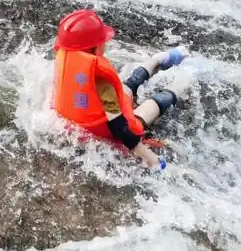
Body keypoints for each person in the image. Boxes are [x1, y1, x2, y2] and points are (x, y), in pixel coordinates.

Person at [52, 9, 192, 170]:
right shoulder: (102, 82)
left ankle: (166, 63)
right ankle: (177, 71)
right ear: (95, 48)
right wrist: (153, 160)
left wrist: (151, 160)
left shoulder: (67, 59)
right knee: (147, 105)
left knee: (127, 89)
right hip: (103, 119)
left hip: (82, 120)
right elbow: (120, 128)